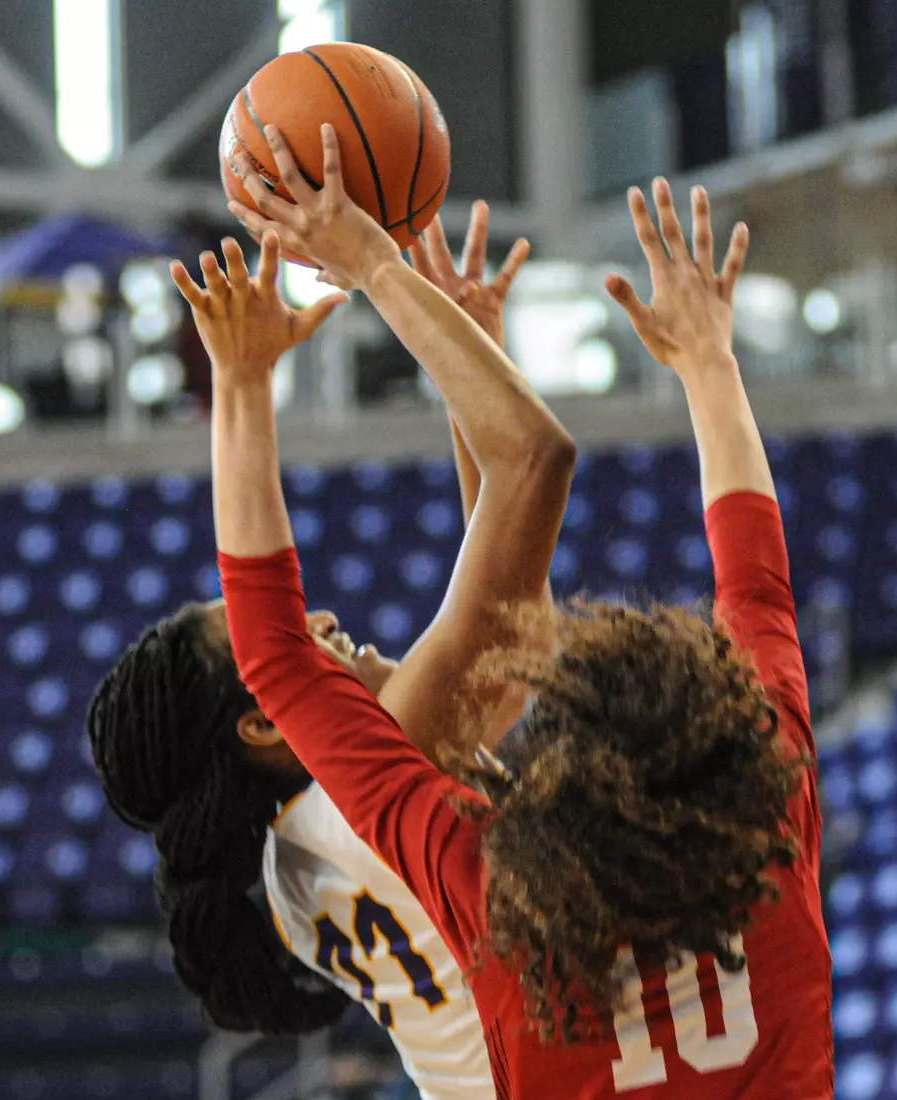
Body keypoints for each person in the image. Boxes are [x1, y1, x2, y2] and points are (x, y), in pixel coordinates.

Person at [210, 124, 833, 1099]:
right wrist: (710, 362)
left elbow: (334, 652)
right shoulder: (769, 805)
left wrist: (268, 367)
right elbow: (751, 587)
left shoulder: (497, 890)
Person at [87, 155, 574, 1096]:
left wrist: (466, 359)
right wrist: (354, 296)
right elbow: (530, 483)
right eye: (276, 635)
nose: (312, 619)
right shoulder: (365, 784)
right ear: (264, 721)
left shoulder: (295, 862)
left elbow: (514, 643)